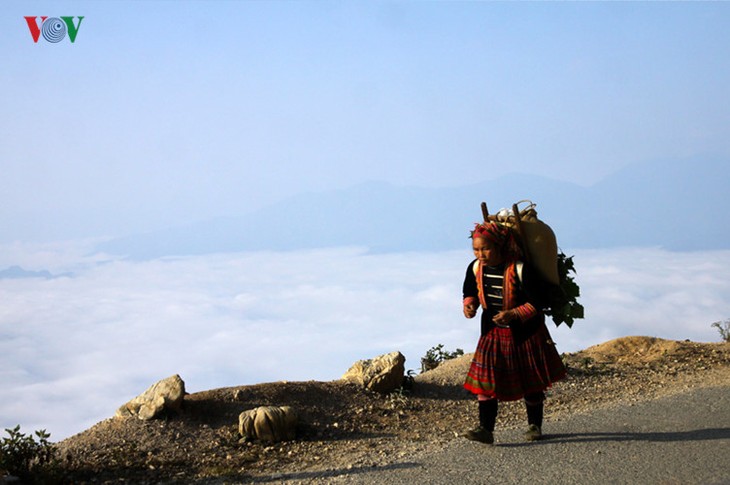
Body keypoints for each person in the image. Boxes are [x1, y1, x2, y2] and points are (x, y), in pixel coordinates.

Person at [462, 221, 566, 444]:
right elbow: (469, 289)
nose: (480, 254)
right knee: (486, 384)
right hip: (492, 332)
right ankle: (485, 429)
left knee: (531, 383)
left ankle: (534, 426)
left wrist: (513, 314)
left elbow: (538, 301)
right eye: (476, 249)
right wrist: (470, 305)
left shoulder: (520, 269)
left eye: (485, 249)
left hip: (525, 333)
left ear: (500, 246)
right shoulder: (475, 268)